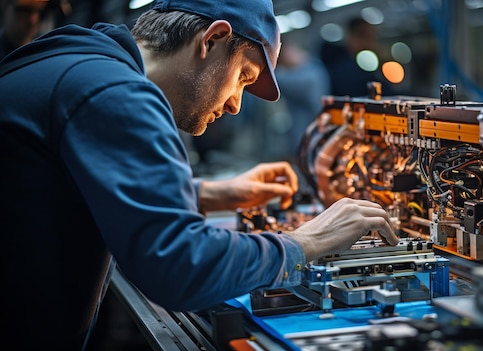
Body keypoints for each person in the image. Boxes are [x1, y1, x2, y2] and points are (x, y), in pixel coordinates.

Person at [0, 0, 400, 349]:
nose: (235, 106)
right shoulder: (116, 92)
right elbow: (177, 266)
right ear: (211, 40)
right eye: (243, 77)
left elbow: (77, 182)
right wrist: (305, 241)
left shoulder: (81, 64)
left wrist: (209, 193)